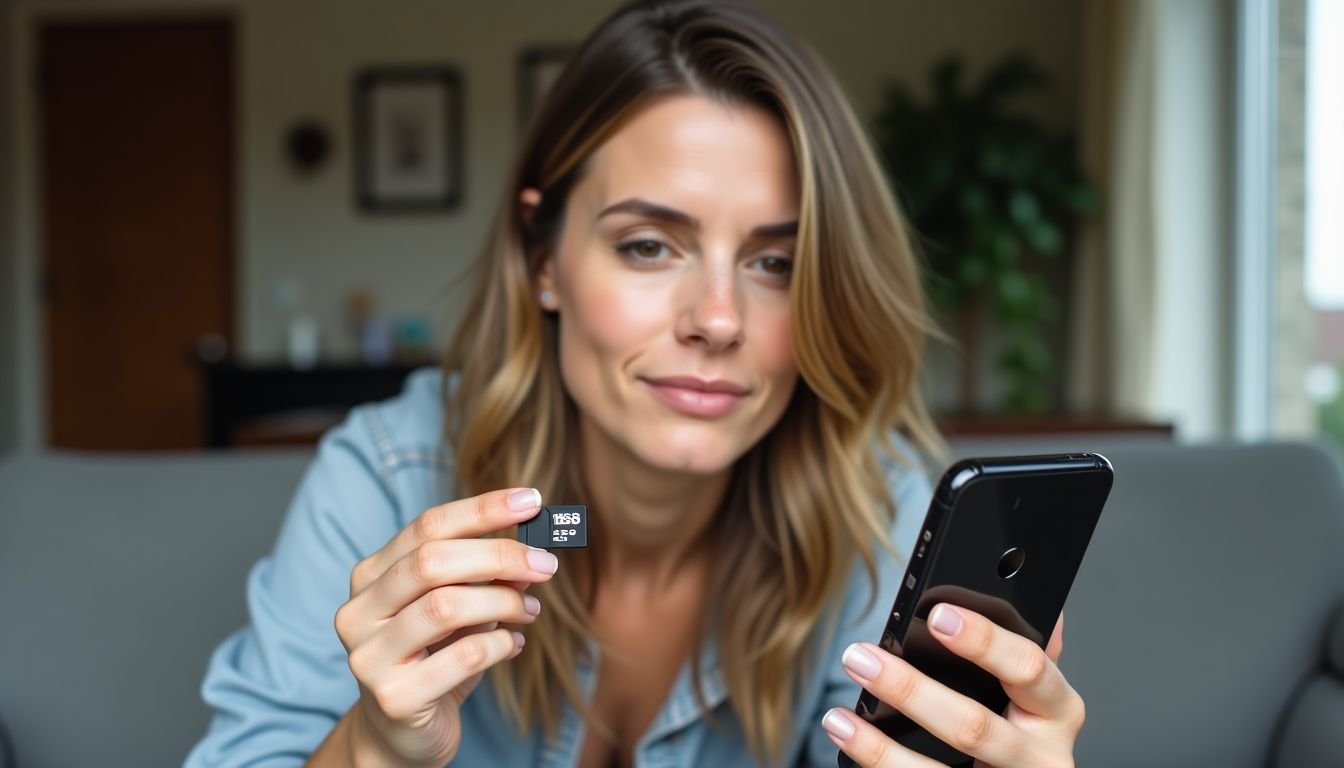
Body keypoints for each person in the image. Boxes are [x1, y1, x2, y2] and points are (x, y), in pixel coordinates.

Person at [185, 1, 1086, 766]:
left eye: (776, 261)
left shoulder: (878, 515)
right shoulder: (392, 471)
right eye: (649, 245)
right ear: (545, 259)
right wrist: (378, 744)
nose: (719, 318)